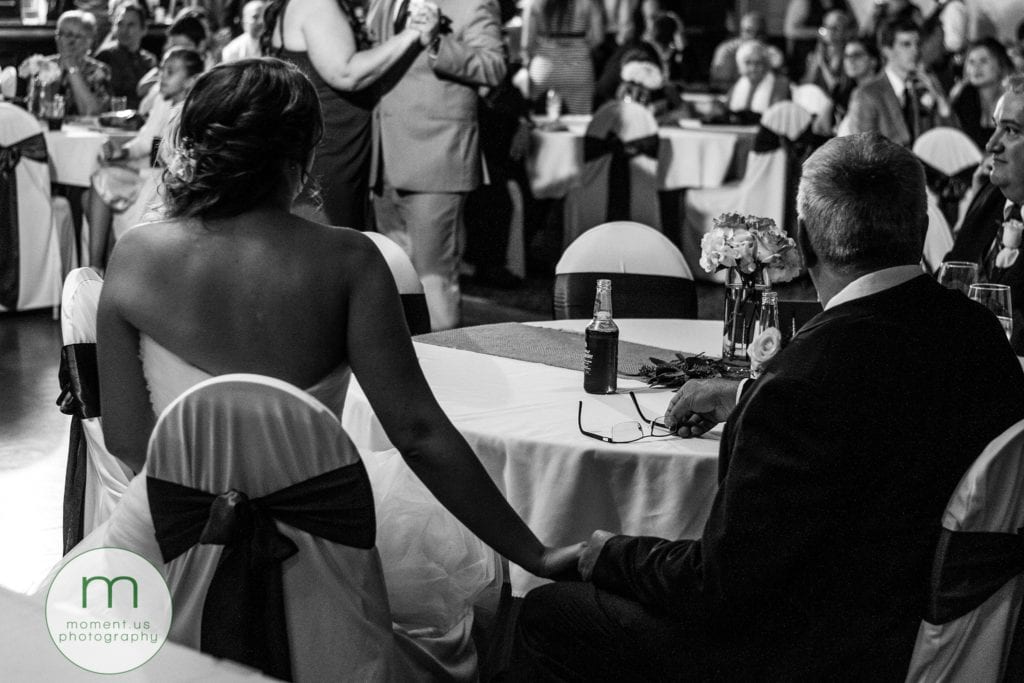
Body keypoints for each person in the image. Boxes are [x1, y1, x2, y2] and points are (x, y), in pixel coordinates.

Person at [96, 57, 581, 675]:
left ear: (197, 143)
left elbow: (127, 440)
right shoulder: (351, 261)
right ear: (303, 150)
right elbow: (420, 435)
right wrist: (532, 553)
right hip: (321, 548)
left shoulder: (136, 254)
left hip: (166, 534)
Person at [509, 132, 1024, 680]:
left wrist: (608, 552)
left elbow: (718, 588)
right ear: (921, 230)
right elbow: (884, 399)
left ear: (804, 238)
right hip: (943, 633)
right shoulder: (981, 335)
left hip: (811, 654)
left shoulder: (802, 380)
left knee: (549, 613)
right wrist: (742, 394)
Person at [367, 0, 506, 331]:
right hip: (383, 156)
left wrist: (437, 43)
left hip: (437, 157)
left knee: (434, 282)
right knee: (396, 278)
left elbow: (494, 66)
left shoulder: (471, 4)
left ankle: (447, 372)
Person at [261, 0, 437, 230]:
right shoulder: (318, 5)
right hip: (329, 152)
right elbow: (345, 73)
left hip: (324, 147)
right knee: (332, 245)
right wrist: (411, 34)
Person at [86, 47, 204, 270]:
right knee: (100, 177)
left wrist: (159, 156)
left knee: (147, 199)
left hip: (172, 182)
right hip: (150, 172)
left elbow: (174, 156)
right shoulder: (162, 100)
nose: (162, 77)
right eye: (161, 70)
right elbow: (146, 140)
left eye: (170, 72)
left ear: (190, 81)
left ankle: (125, 268)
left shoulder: (193, 110)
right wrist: (122, 152)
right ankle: (95, 266)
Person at [946, 74, 1024, 354]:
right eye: (995, 127)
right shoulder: (990, 197)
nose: (992, 144)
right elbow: (952, 276)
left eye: (1012, 130)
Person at [845, 18, 951, 147]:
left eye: (917, 44)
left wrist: (940, 99)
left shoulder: (924, 87)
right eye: (906, 44)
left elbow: (949, 139)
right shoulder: (867, 94)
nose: (915, 51)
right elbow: (861, 150)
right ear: (887, 51)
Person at [520, 0, 604, 115]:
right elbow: (598, 37)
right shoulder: (587, 2)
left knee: (539, 121)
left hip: (543, 68)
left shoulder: (533, 3)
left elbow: (526, 44)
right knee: (579, 121)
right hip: (578, 68)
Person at [44, 10, 111, 116]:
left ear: (88, 41)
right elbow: (40, 109)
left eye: (74, 36)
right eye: (62, 34)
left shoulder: (99, 71)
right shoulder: (44, 66)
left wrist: (72, 69)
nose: (67, 41)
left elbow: (91, 112)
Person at [950, 38, 1012, 150]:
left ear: (1000, 65)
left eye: (983, 61)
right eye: (971, 62)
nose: (976, 68)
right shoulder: (965, 96)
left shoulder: (1014, 99)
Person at [94, 3, 157, 109]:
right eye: (120, 24)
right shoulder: (105, 56)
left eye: (131, 25)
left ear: (144, 29)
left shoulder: (149, 60)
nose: (124, 30)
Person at [709, 11, 784, 92]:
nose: (753, 37)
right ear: (740, 32)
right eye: (748, 31)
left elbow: (780, 85)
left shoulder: (772, 54)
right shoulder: (727, 51)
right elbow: (718, 84)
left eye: (759, 33)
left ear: (765, 35)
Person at [725, 40, 791, 118]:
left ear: (766, 64)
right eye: (748, 62)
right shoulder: (735, 87)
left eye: (758, 62)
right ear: (740, 65)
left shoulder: (780, 84)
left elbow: (777, 115)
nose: (753, 68)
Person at [800, 9, 853, 96]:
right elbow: (807, 84)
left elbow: (836, 88)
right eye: (827, 27)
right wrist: (815, 64)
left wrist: (823, 64)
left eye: (836, 28)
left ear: (845, 31)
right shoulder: (817, 51)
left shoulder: (848, 54)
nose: (830, 32)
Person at [833, 35, 879, 124]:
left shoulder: (882, 93)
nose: (850, 61)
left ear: (873, 60)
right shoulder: (844, 91)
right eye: (846, 56)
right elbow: (820, 127)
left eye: (857, 55)